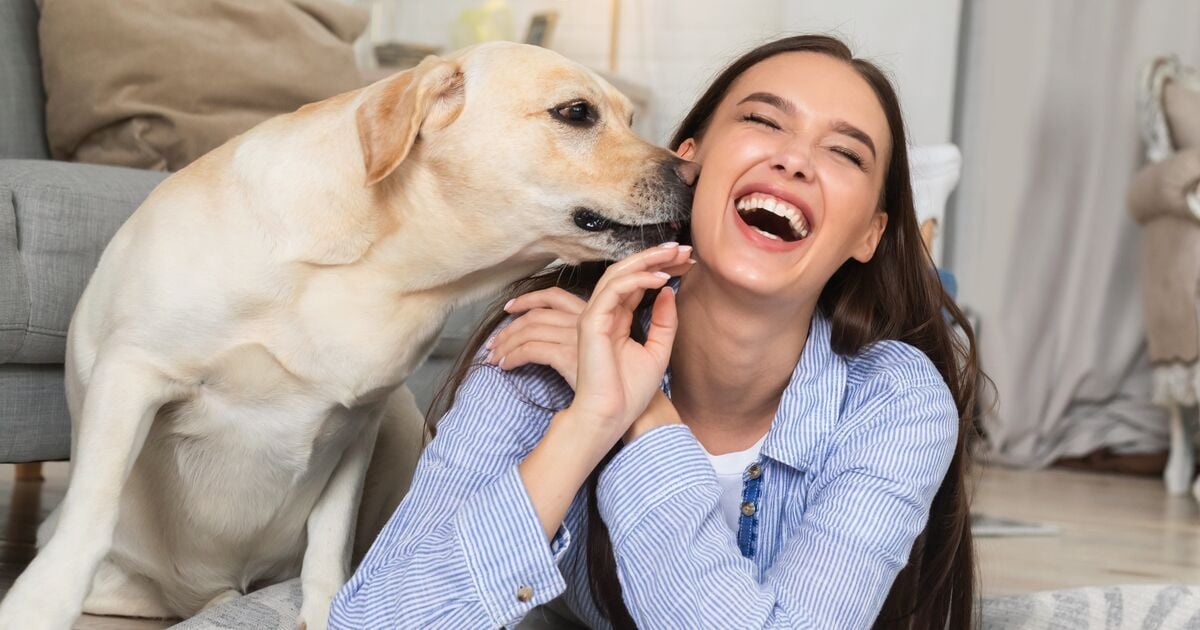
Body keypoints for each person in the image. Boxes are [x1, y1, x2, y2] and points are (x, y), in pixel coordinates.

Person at [330, 33, 980, 629]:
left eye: (844, 152)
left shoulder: (896, 399)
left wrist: (643, 416)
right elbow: (376, 621)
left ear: (870, 234)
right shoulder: (553, 336)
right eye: (763, 121)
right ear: (686, 164)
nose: (794, 160)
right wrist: (588, 422)